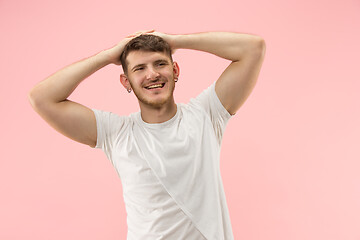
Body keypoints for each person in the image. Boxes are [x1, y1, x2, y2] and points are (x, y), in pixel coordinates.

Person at [28, 30, 266, 240]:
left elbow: (253, 48)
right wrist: (107, 56)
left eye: (160, 64)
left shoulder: (206, 115)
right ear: (126, 81)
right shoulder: (117, 133)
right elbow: (41, 98)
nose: (152, 75)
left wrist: (176, 41)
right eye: (139, 68)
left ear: (175, 71)